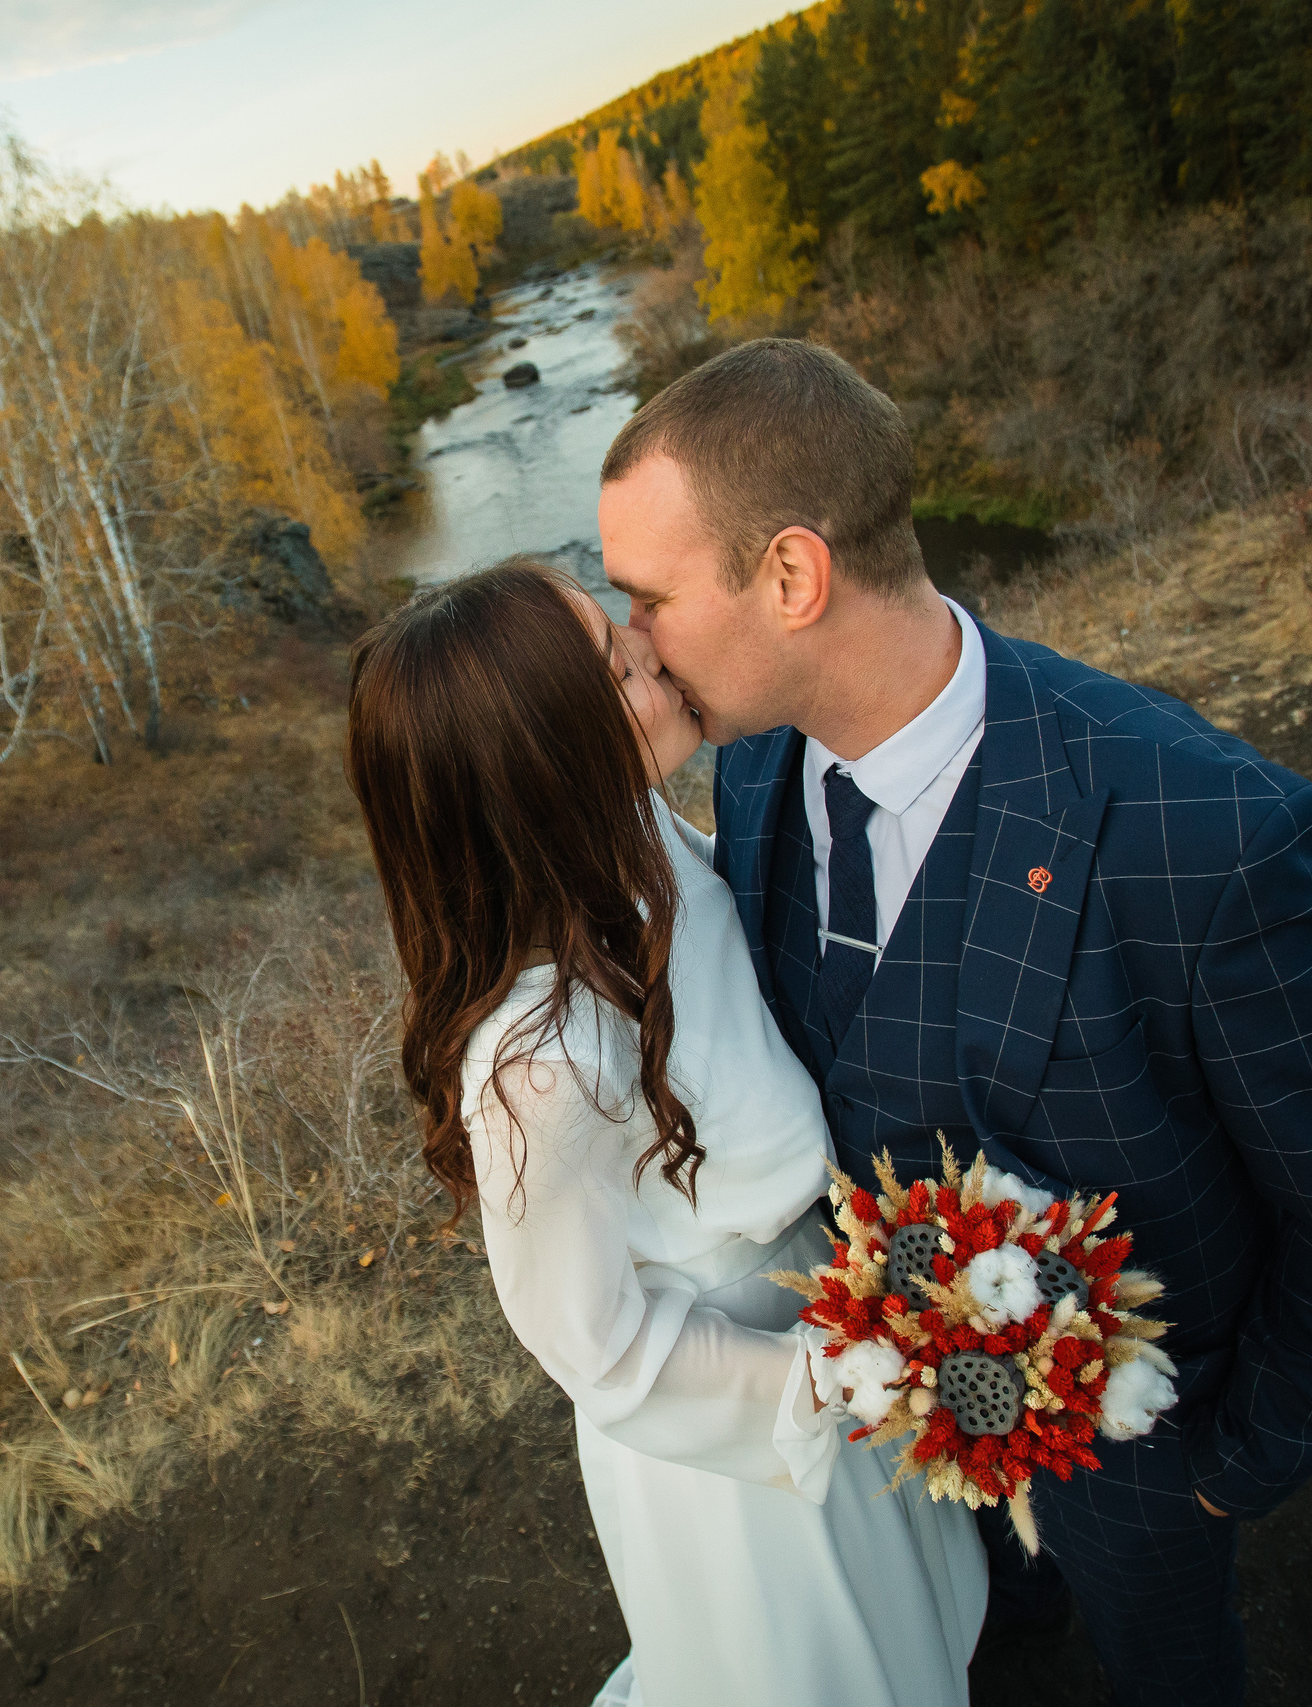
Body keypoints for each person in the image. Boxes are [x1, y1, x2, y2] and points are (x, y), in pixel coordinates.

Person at [597, 338, 1312, 1707]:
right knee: (988, 1639)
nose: (628, 641)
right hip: (910, 1435)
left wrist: (1231, 1468)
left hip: (1144, 1467)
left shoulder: (1211, 837)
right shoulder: (753, 760)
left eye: (646, 598)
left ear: (792, 576)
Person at [345, 559, 986, 1707]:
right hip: (743, 1434)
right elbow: (598, 1347)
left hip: (826, 1305)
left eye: (623, 623)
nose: (654, 648)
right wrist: (818, 1379)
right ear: (542, 754)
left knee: (914, 1635)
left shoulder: (641, 835)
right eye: (613, 661)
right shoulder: (538, 1068)